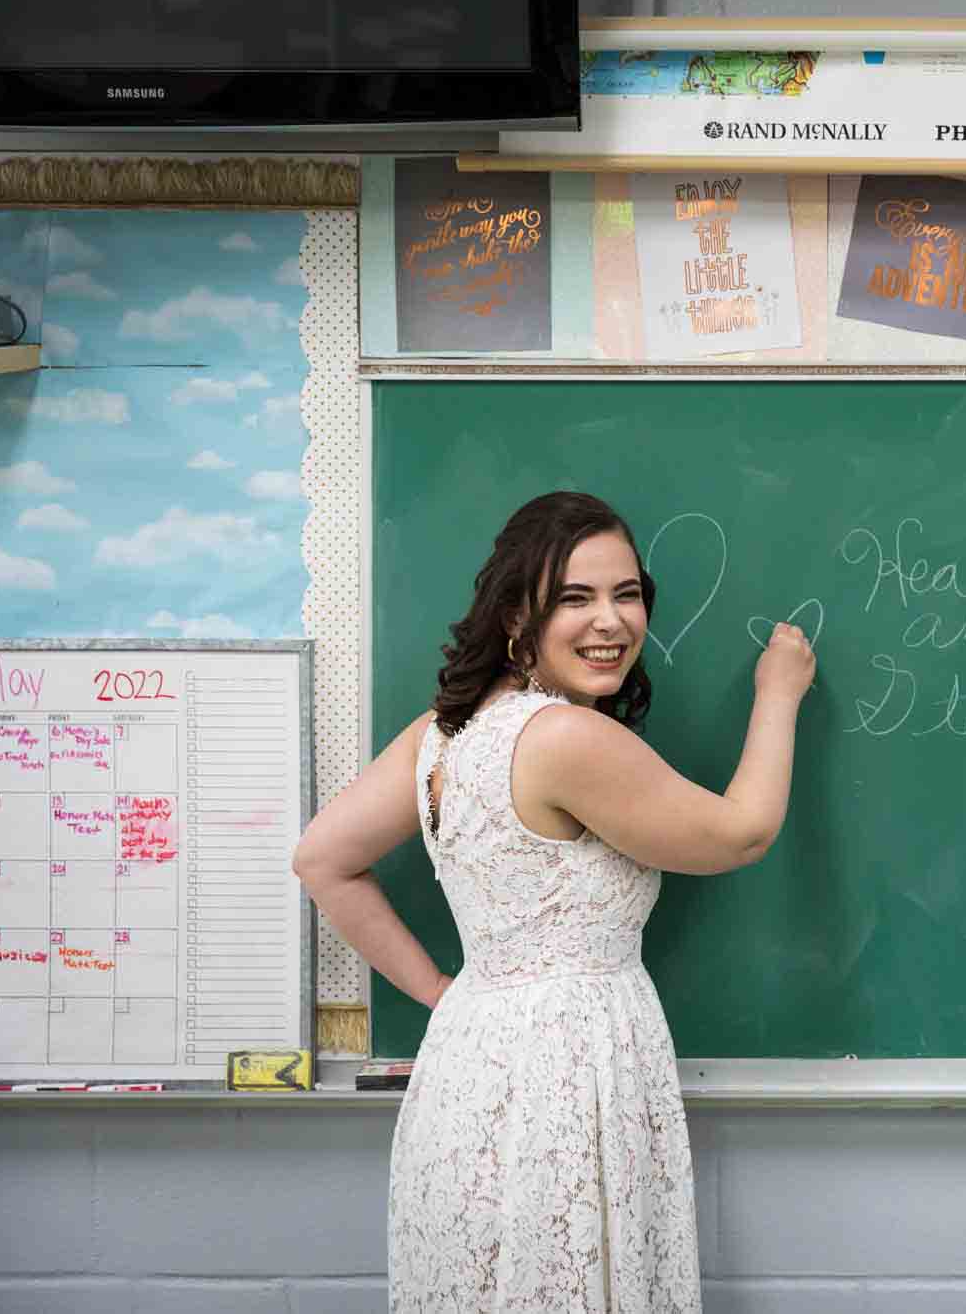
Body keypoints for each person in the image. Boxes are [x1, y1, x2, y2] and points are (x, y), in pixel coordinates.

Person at [294, 491, 815, 1312]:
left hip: (470, 1069)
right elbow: (741, 833)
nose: (609, 621)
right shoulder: (566, 739)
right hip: (566, 1082)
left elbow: (323, 859)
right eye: (574, 598)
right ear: (516, 614)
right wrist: (779, 693)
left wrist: (449, 997)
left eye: (627, 593)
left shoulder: (443, 732)